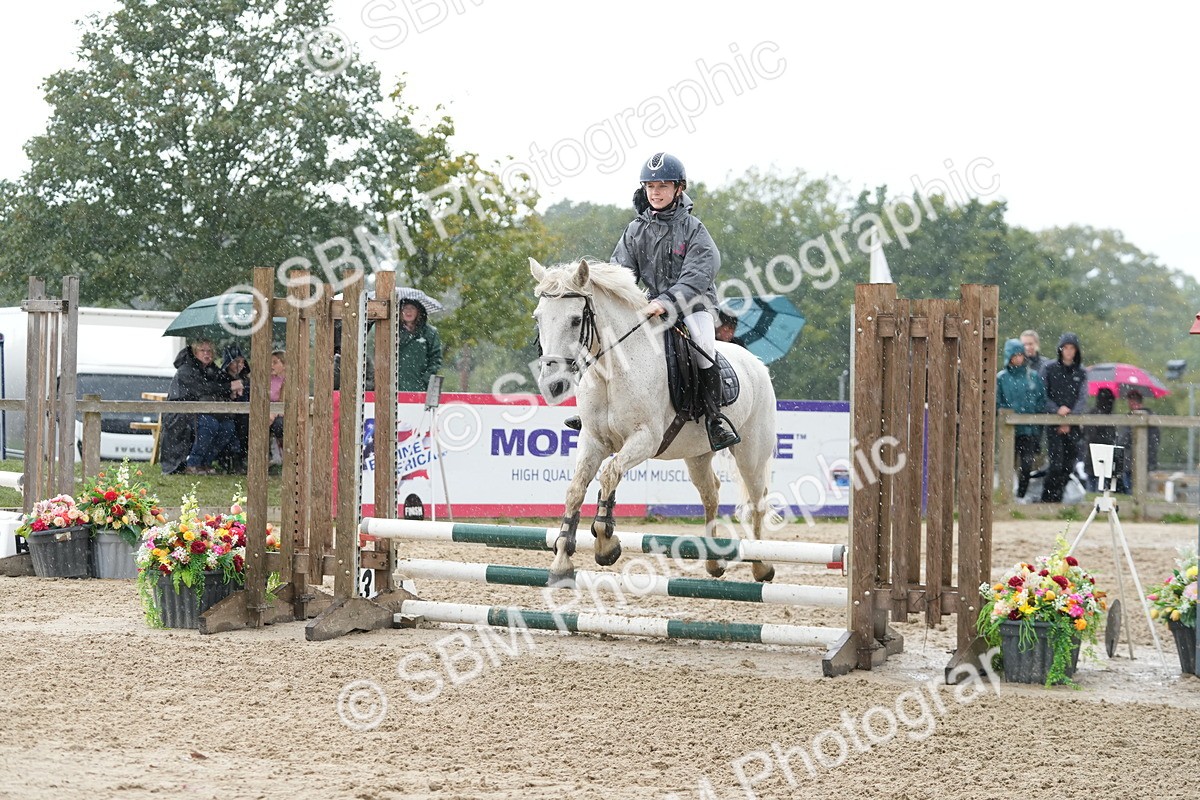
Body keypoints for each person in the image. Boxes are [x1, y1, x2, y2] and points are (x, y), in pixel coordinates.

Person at [566, 152, 739, 450]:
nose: (656, 193)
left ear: (678, 189)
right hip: (650, 307)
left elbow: (699, 274)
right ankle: (593, 408)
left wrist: (668, 301)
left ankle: (714, 418)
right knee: (604, 339)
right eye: (651, 187)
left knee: (703, 351)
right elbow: (621, 273)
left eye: (662, 187)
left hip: (692, 306)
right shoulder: (635, 230)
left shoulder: (694, 229)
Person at [159, 339, 244, 475]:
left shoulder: (210, 368)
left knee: (228, 427)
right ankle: (193, 463)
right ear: (195, 352)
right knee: (209, 424)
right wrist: (229, 387)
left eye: (209, 351)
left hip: (205, 412)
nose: (207, 354)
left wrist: (234, 384)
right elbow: (202, 388)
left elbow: (221, 381)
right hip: (182, 414)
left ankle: (206, 463)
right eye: (202, 350)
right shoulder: (186, 369)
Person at [1038, 332, 1088, 502]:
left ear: (1076, 350)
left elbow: (1082, 398)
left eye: (1071, 348)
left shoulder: (1081, 372)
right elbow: (1041, 395)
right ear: (1060, 349)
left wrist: (1069, 419)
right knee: (1056, 463)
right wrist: (1056, 411)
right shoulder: (1049, 368)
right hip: (1053, 424)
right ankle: (1047, 499)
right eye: (1065, 348)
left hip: (1072, 425)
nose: (1068, 351)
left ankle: (1057, 498)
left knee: (1069, 465)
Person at [996, 338, 1048, 499]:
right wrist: (1009, 413)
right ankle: (1006, 497)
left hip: (1029, 429)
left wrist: (1032, 416)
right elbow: (998, 401)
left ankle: (1021, 496)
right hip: (1008, 430)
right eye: (1015, 355)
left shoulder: (1033, 376)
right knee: (1007, 465)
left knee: (1026, 465)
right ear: (1009, 356)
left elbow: (1041, 400)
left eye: (1020, 355)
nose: (1018, 358)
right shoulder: (1001, 378)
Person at [397, 299, 443, 392]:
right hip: (396, 385)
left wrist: (426, 380)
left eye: (412, 308)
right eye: (405, 308)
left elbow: (436, 359)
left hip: (420, 388)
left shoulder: (430, 332)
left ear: (419, 311)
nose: (408, 311)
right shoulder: (392, 331)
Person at [1118, 389, 1161, 488]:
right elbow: (1155, 441)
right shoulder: (1152, 418)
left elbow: (1123, 440)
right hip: (1144, 462)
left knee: (1132, 490)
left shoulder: (1131, 419)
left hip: (1132, 462)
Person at [1083, 388, 1120, 492]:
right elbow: (1112, 437)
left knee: (1093, 484)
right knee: (1102, 486)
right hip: (1104, 455)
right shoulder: (1110, 417)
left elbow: (1087, 434)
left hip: (1093, 454)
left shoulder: (1092, 414)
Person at [222, 343, 251, 472]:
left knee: (245, 425)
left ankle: (241, 457)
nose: (239, 365)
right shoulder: (222, 379)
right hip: (227, 415)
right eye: (235, 362)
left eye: (241, 361)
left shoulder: (246, 380)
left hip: (245, 416)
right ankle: (231, 458)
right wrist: (230, 392)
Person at [269, 349, 286, 464]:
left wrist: (274, 413)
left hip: (282, 413)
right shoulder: (268, 380)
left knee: (279, 425)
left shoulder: (289, 381)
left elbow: (285, 402)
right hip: (268, 412)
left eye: (275, 362)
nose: (271, 366)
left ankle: (284, 452)